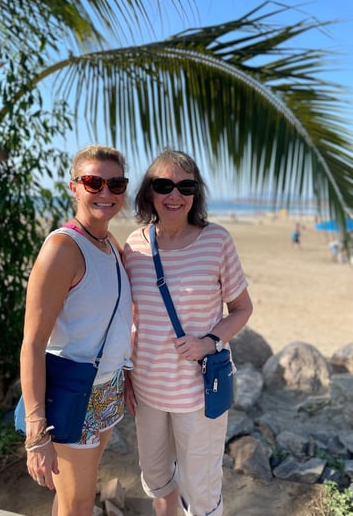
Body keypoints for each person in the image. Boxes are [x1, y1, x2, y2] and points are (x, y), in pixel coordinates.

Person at [123, 148, 253, 516]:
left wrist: (209, 341)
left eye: (185, 186)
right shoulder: (134, 246)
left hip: (198, 394)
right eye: (164, 185)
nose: (174, 195)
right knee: (157, 478)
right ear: (149, 192)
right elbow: (133, 317)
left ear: (196, 193)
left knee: (201, 489)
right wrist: (129, 376)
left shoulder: (217, 241)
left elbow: (242, 309)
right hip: (148, 391)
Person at [19, 144, 132, 515]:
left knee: (72, 494)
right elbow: (33, 343)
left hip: (106, 389)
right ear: (74, 187)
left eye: (115, 184)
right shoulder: (63, 249)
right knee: (80, 501)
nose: (105, 192)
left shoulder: (109, 244)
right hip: (73, 392)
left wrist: (125, 373)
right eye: (93, 182)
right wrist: (37, 433)